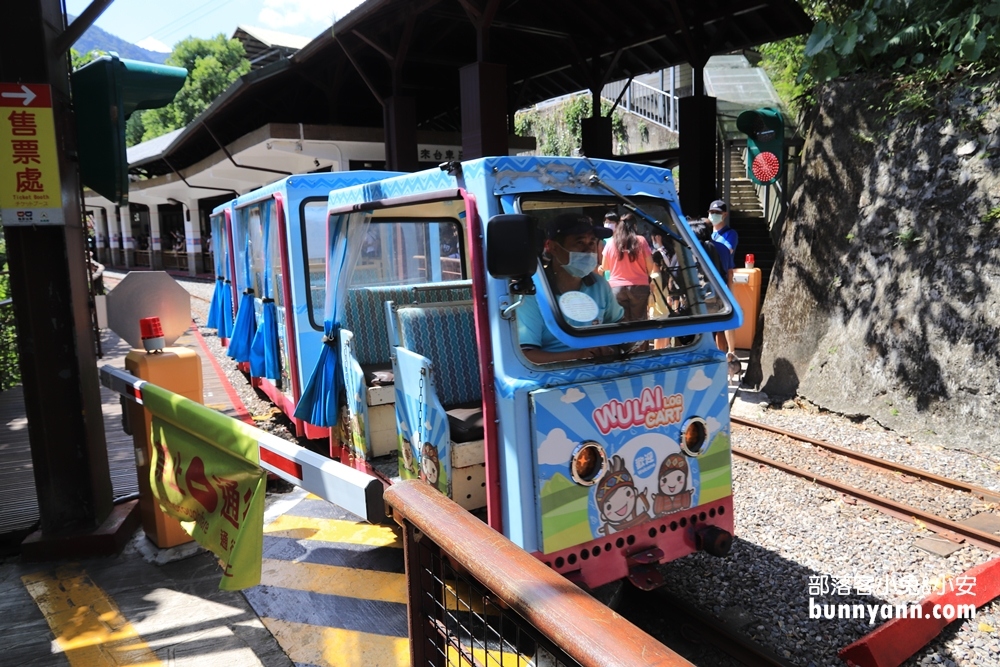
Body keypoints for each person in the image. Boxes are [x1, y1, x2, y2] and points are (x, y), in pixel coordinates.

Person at [517, 213, 624, 363]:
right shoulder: (533, 292)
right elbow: (526, 356)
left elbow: (618, 326)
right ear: (553, 247)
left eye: (592, 243)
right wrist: (579, 357)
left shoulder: (599, 285)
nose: (588, 250)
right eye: (579, 242)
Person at [601, 212, 655, 322]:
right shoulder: (641, 240)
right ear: (634, 226)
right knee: (639, 320)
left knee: (621, 321)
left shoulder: (611, 242)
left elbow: (605, 266)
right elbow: (650, 265)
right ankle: (639, 339)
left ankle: (625, 339)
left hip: (617, 287)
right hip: (639, 286)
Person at [707, 200, 738, 359]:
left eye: (718, 213)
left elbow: (726, 251)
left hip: (724, 280)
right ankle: (719, 354)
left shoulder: (730, 234)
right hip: (708, 284)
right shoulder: (707, 234)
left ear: (725, 215)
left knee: (726, 318)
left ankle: (730, 353)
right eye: (712, 212)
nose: (714, 215)